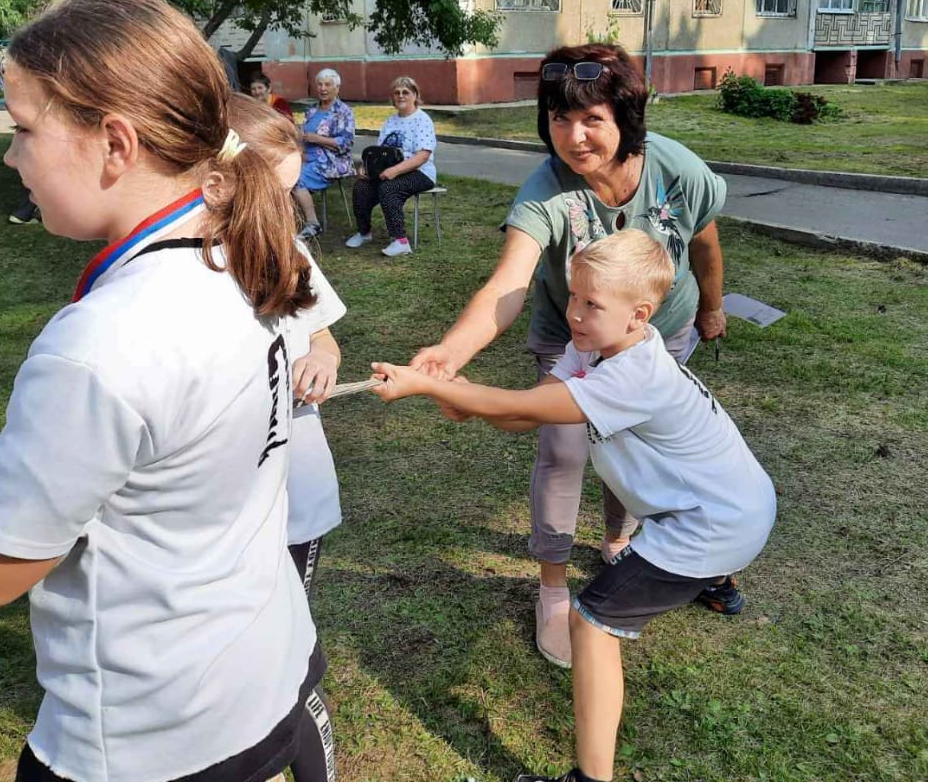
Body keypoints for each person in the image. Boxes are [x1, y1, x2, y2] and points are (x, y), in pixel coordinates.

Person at [0, 0, 331, 782]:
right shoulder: (238, 254)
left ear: (116, 144)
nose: (9, 156)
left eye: (21, 129)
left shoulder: (105, 341)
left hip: (150, 735)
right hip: (256, 672)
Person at [374, 229, 776, 782]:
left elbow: (517, 404)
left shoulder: (633, 375)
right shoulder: (594, 350)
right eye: (573, 297)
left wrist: (437, 388)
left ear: (639, 314)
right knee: (632, 581)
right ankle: (714, 583)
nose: (576, 314)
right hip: (731, 502)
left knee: (590, 623)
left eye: (593, 304)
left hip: (709, 526)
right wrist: (464, 400)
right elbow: (527, 414)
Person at [410, 43, 733, 668]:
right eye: (560, 118)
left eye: (592, 119)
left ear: (626, 118)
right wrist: (451, 351)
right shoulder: (546, 191)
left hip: (658, 333)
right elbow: (508, 285)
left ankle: (618, 539)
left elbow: (705, 246)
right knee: (562, 449)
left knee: (632, 444)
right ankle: (552, 588)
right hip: (573, 334)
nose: (574, 136)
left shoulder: (678, 170)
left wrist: (713, 308)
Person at [228, 92, 345, 782]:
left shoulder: (290, 253)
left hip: (293, 491)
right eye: (272, 194)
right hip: (220, 507)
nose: (285, 213)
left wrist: (321, 361)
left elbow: (323, 332)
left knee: (282, 649)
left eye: (290, 195)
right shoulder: (186, 271)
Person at [345, 76, 437, 257]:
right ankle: (364, 233)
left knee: (389, 188)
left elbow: (422, 156)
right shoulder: (390, 121)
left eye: (405, 92)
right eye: (397, 93)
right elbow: (380, 153)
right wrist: (367, 168)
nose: (401, 96)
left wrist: (395, 170)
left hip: (419, 172)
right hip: (389, 171)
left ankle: (400, 241)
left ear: (415, 95)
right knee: (361, 187)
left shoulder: (422, 120)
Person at [293, 68, 355, 239]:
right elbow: (303, 135)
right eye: (320, 84)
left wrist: (317, 139)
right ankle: (288, 224)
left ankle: (313, 225)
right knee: (281, 174)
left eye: (328, 84)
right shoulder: (312, 110)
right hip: (307, 159)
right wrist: (300, 148)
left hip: (331, 162)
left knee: (296, 179)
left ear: (337, 88)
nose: (323, 88)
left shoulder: (343, 111)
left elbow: (346, 143)